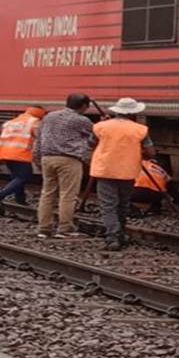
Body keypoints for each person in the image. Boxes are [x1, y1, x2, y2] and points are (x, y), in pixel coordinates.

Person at [89, 97, 155, 250]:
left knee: (108, 206)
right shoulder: (140, 129)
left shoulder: (100, 126)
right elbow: (151, 153)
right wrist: (138, 154)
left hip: (105, 170)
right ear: (133, 113)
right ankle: (121, 234)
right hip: (128, 171)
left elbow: (91, 143)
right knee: (123, 204)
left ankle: (113, 237)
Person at [33, 93, 95, 238]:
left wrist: (36, 157)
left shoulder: (49, 117)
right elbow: (96, 136)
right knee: (68, 195)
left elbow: (39, 138)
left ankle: (43, 228)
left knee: (47, 194)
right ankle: (65, 228)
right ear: (84, 106)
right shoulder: (81, 120)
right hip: (69, 160)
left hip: (47, 158)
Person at [0, 106, 47, 212]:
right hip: (21, 154)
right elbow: (39, 139)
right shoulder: (35, 122)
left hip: (5, 153)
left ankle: (20, 200)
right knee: (24, 177)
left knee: (17, 177)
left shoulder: (12, 121)